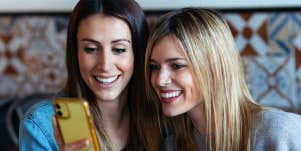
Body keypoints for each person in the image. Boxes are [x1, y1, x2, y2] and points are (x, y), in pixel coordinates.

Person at [144, 8, 301, 151]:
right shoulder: (171, 146)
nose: (159, 80)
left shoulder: (281, 133)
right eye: (154, 67)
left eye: (177, 65)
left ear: (214, 67)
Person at [19, 0, 163, 150]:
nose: (105, 65)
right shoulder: (41, 126)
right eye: (91, 49)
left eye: (119, 49)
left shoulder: (162, 117)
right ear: (75, 53)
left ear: (138, 52)